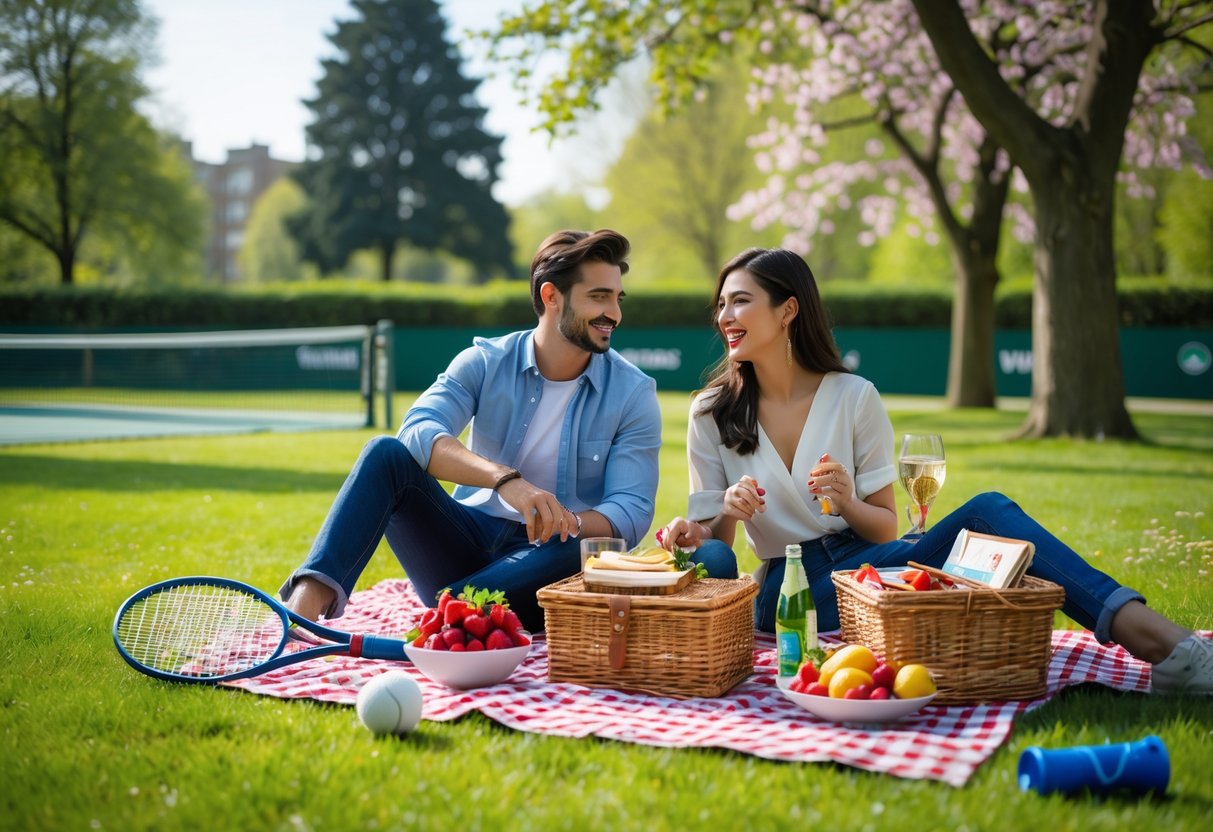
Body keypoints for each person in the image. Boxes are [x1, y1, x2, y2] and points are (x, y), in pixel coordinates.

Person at [657, 247, 1212, 694]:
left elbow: (884, 529)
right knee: (980, 536)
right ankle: (1172, 649)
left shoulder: (854, 396)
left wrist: (848, 502)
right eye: (721, 305)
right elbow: (720, 549)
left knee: (990, 511)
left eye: (739, 302)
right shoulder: (712, 411)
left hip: (870, 563)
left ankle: (1164, 646)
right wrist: (722, 511)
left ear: (788, 310)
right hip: (795, 585)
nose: (723, 317)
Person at [279, 229, 664, 632]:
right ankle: (304, 607)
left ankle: (452, 615)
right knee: (385, 455)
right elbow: (417, 430)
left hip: (549, 559)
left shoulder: (633, 392)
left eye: (617, 298)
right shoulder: (484, 360)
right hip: (464, 539)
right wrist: (505, 481)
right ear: (552, 296)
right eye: (599, 296)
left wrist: (565, 521)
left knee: (584, 553)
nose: (614, 314)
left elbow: (631, 509)